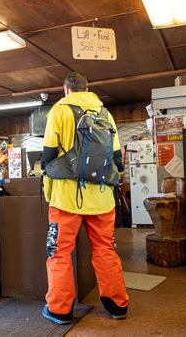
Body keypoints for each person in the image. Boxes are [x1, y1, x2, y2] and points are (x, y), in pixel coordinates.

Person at [40, 72, 129, 325]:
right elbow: (118, 161)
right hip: (102, 198)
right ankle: (117, 305)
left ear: (66, 89)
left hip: (66, 199)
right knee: (105, 249)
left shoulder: (58, 110)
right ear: (87, 89)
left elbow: (47, 158)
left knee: (58, 252)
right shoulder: (105, 113)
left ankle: (60, 309)